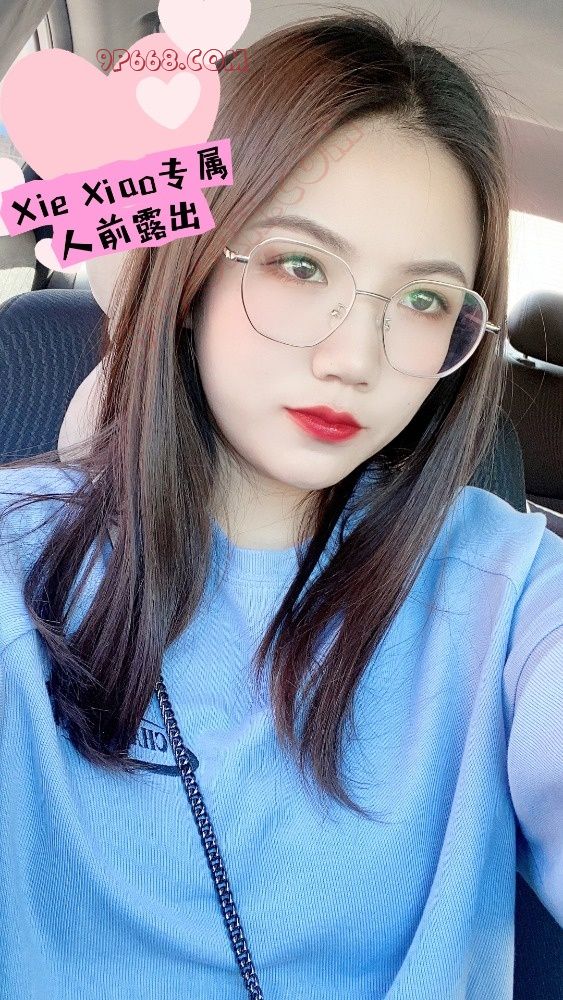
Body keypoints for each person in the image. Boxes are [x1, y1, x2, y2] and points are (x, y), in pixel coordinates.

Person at [0, 8, 561, 999]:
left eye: (422, 300)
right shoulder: (18, 560)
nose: (354, 358)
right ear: (191, 271)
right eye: (299, 265)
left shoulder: (507, 588)